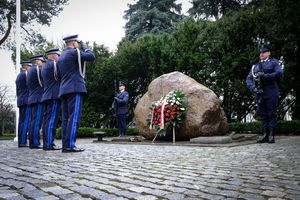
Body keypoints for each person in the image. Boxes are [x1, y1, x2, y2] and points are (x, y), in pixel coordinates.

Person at [57, 34, 95, 153]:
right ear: (73, 43)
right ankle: (70, 145)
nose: (78, 45)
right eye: (78, 43)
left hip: (64, 90)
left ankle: (65, 145)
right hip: (74, 88)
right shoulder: (74, 52)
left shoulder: (61, 56)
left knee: (66, 119)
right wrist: (86, 47)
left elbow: (58, 75)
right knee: (74, 118)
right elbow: (91, 57)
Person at [246, 44, 283, 143]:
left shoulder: (274, 63)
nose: (261, 54)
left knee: (271, 113)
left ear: (269, 53)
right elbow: (249, 79)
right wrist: (253, 88)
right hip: (259, 93)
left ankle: (271, 135)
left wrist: (266, 76)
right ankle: (265, 134)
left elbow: (279, 73)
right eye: (260, 52)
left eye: (264, 52)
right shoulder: (255, 66)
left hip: (271, 92)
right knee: (262, 114)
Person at [41, 48, 61, 150]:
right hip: (53, 95)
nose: (59, 57)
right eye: (58, 55)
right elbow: (59, 77)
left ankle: (47, 143)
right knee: (51, 121)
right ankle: (49, 144)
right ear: (53, 55)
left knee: (47, 121)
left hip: (46, 95)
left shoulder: (44, 66)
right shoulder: (53, 64)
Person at [27, 55, 45, 148]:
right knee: (37, 121)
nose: (42, 63)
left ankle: (32, 142)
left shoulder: (30, 70)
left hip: (32, 97)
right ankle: (35, 142)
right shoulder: (37, 69)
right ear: (37, 61)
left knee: (32, 121)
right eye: (42, 61)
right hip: (38, 98)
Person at [15, 61, 31, 147]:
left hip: (21, 100)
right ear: (26, 66)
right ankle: (23, 141)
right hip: (26, 100)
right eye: (29, 66)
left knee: (21, 121)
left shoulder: (19, 75)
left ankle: (21, 140)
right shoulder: (25, 74)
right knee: (25, 121)